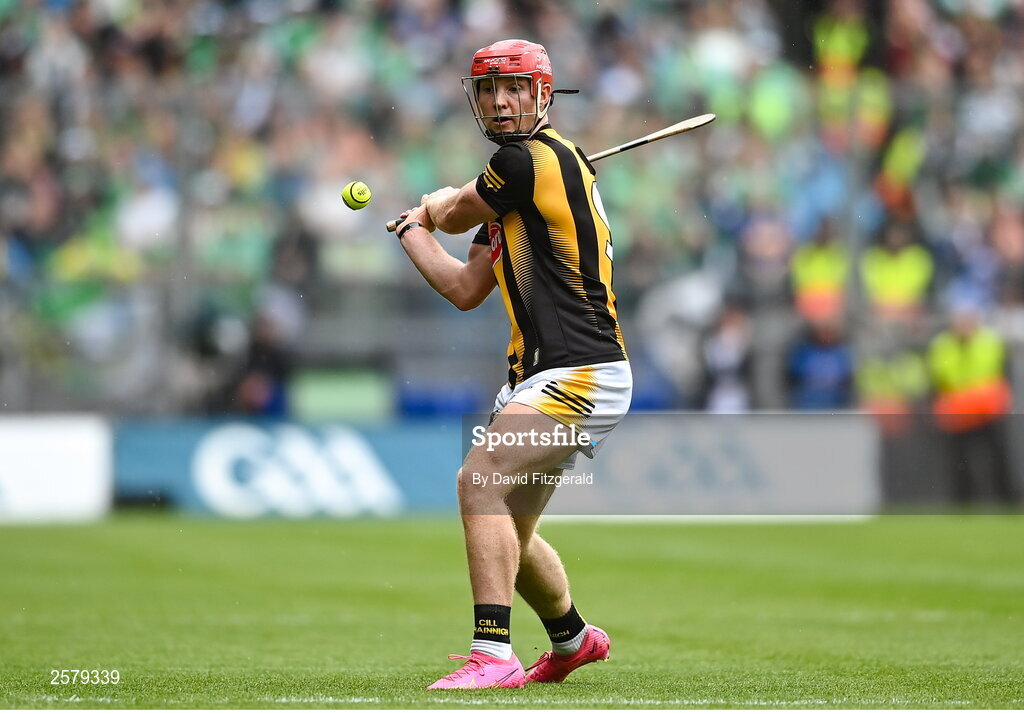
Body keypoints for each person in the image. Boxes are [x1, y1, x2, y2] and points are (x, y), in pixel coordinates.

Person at [393, 39, 631, 689]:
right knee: (510, 535)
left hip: (580, 370)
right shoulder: (517, 185)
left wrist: (437, 206)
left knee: (478, 481)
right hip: (552, 377)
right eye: (488, 89)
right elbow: (467, 289)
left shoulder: (523, 164)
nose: (501, 101)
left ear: (543, 94)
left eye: (516, 88)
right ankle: (573, 639)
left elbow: (461, 206)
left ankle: (492, 656)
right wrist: (414, 232)